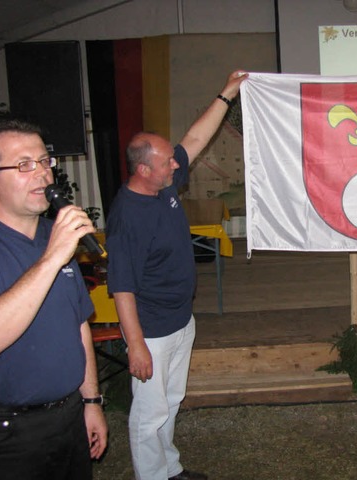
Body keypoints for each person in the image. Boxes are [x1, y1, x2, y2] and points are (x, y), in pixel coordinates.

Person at [105, 70, 247, 480]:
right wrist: (135, 346)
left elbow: (195, 140)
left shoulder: (162, 186)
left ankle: (169, 469)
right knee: (148, 414)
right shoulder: (128, 217)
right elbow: (122, 287)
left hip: (180, 320)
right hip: (151, 331)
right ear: (144, 171)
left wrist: (227, 93)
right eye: (167, 161)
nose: (176, 163)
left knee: (170, 400)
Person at [0, 118, 108, 479]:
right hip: (5, 433)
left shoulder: (54, 235)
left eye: (45, 162)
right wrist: (51, 258)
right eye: (24, 165)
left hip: (68, 418)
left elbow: (78, 326)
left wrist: (91, 402)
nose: (42, 174)